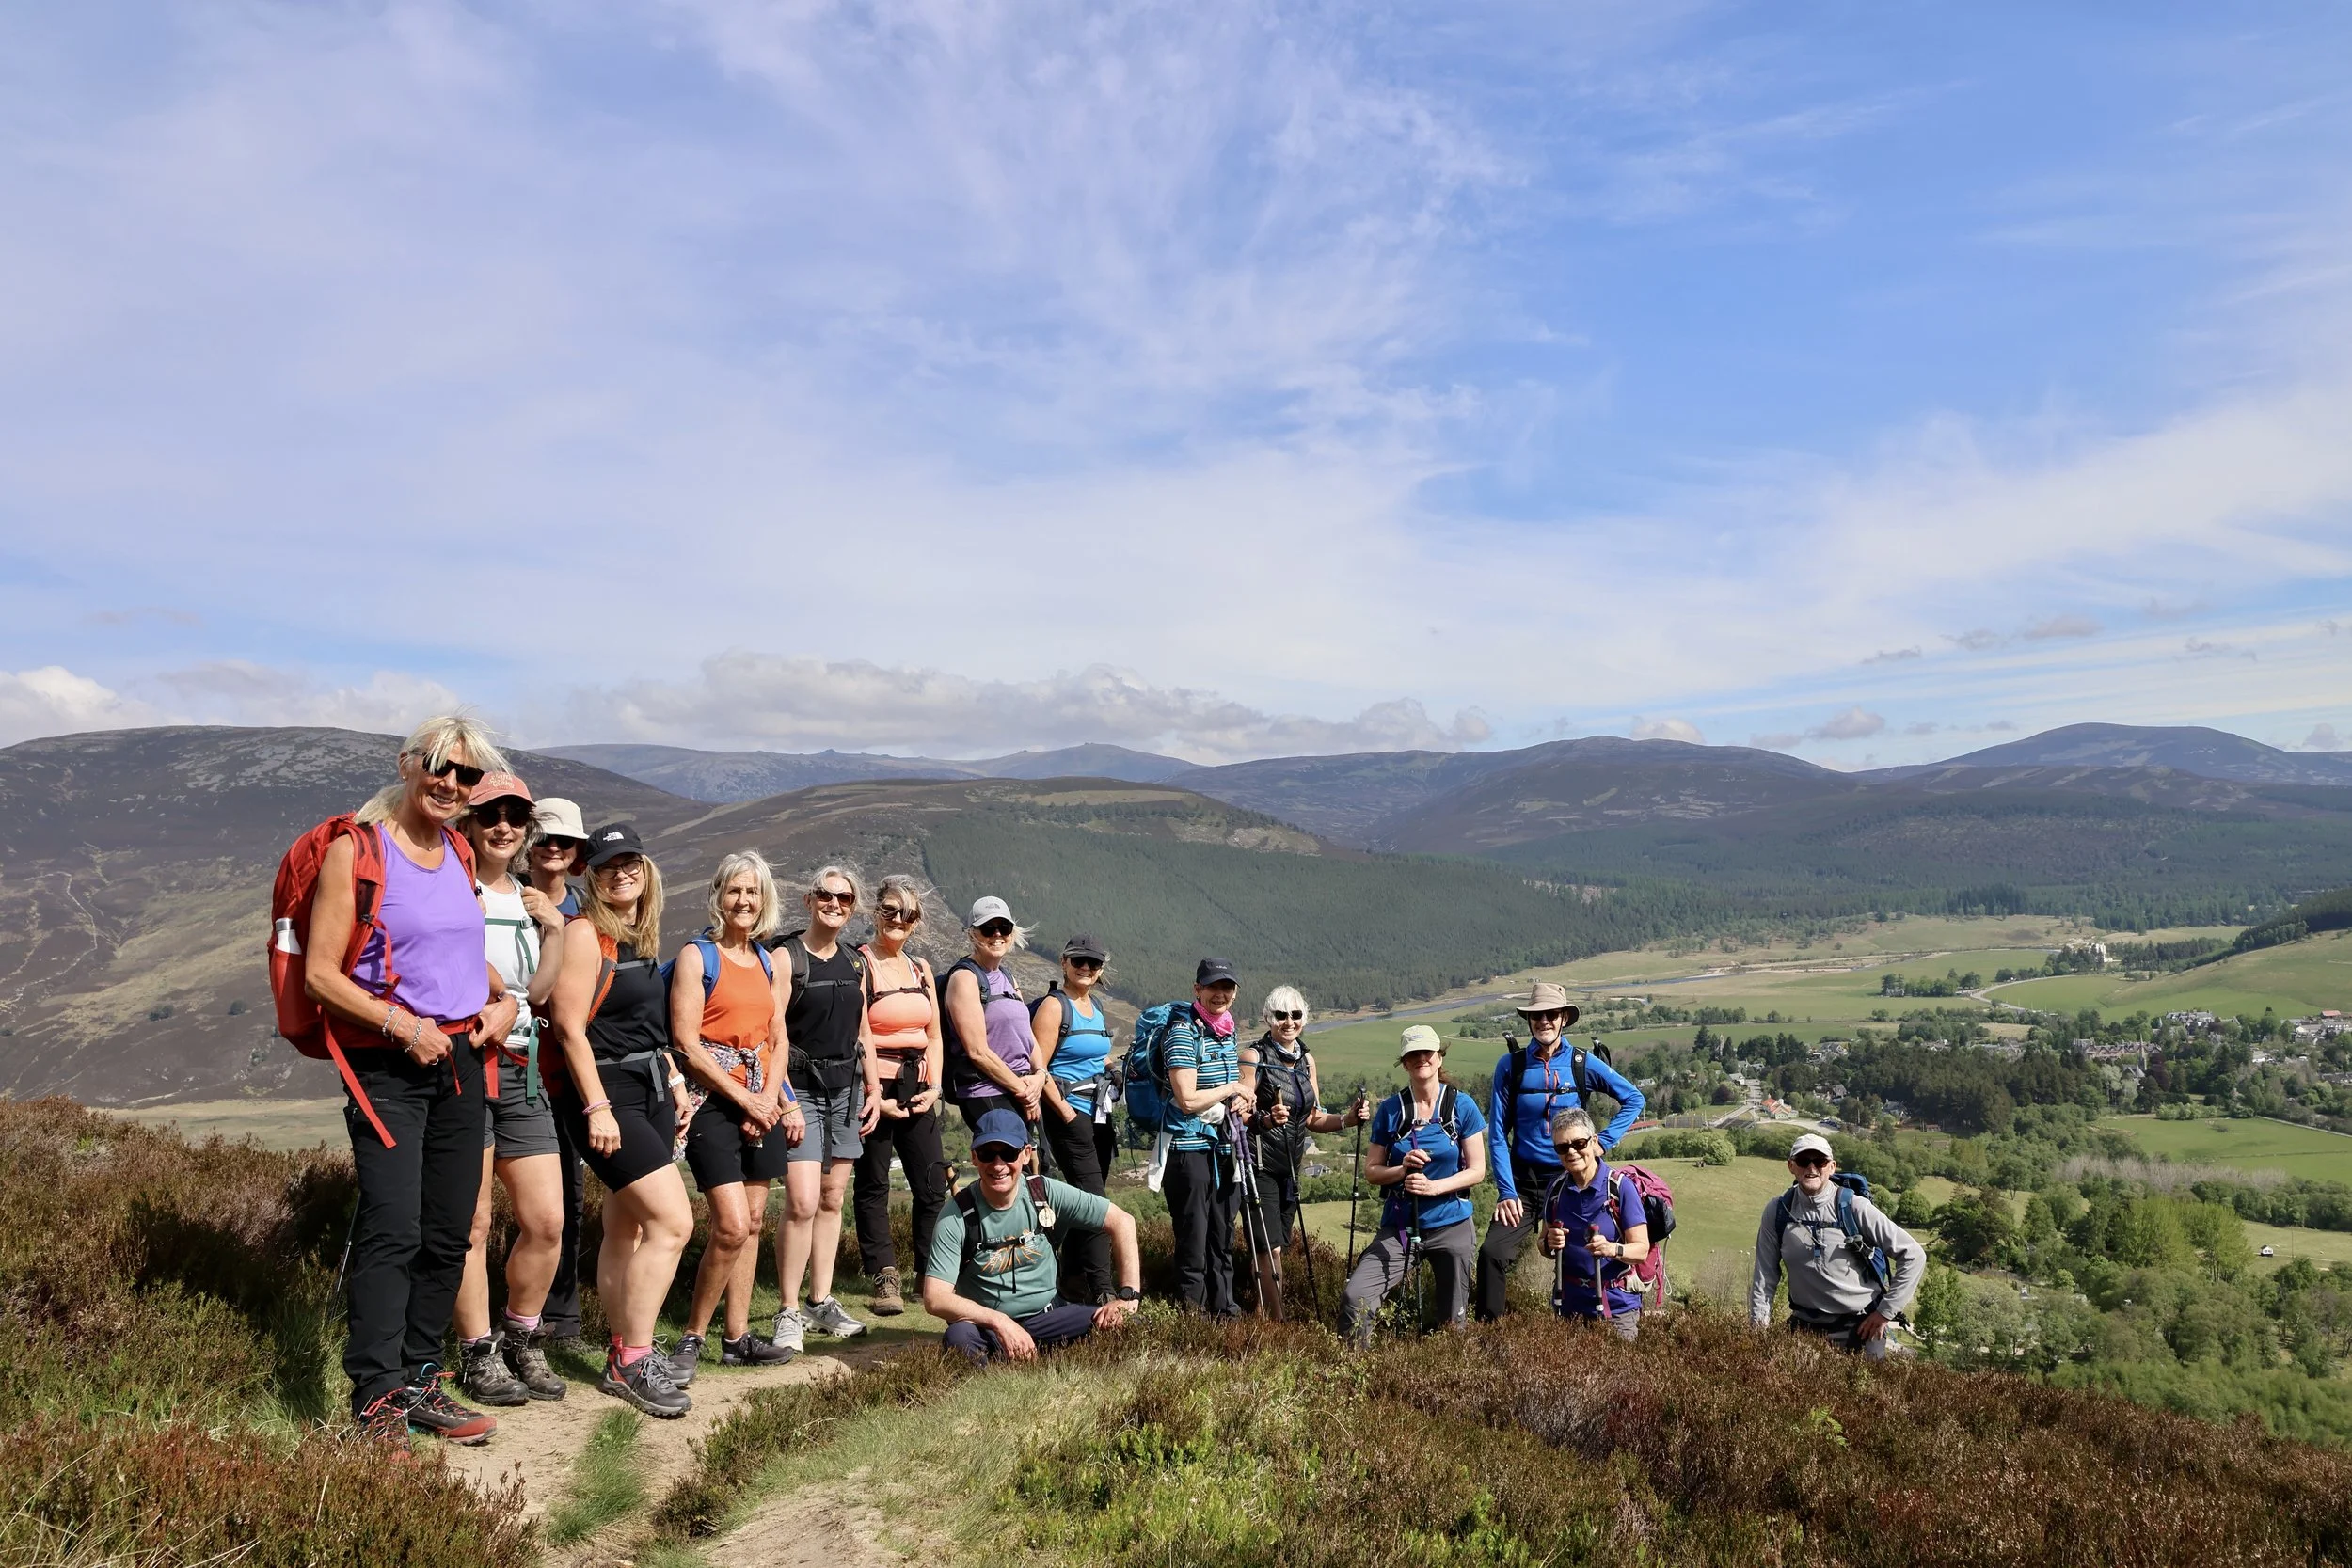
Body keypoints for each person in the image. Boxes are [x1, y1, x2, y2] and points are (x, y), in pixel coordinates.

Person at [303, 714, 515, 1445]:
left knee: (449, 1230)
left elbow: (461, 953)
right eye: (441, 767)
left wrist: (505, 998)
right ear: (406, 764)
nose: (452, 783)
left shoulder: (457, 850)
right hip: (387, 1061)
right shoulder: (355, 853)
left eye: (466, 774)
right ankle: (375, 1394)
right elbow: (320, 974)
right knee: (393, 1227)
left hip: (459, 1056)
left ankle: (422, 1378)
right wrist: (401, 1025)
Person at [547, 822, 696, 1418]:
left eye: (630, 862)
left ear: (646, 870)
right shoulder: (587, 935)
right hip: (608, 1093)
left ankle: (621, 1346)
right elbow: (569, 1028)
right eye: (607, 865)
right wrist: (597, 1107)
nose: (621, 873)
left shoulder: (638, 934)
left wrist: (677, 1082)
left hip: (652, 1085)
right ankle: (632, 1359)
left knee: (626, 1227)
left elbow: (645, 1027)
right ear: (591, 875)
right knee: (672, 1222)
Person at [453, 771, 570, 1405]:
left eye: (515, 816)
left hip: (523, 1070)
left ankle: (523, 1337)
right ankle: (478, 1352)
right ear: (469, 823)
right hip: (468, 1066)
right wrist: (500, 988)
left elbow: (544, 991)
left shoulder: (529, 899)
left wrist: (552, 929)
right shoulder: (454, 889)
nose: (504, 825)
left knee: (547, 1219)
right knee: (472, 1221)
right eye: (491, 814)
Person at [666, 852, 800, 1378]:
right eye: (734, 891)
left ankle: (737, 1337)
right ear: (718, 897)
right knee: (729, 1225)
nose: (744, 901)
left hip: (759, 1097)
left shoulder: (768, 961)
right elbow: (686, 1044)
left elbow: (778, 1036)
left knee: (752, 1226)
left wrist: (769, 1098)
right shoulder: (697, 958)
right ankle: (693, 1337)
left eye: (753, 893)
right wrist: (748, 1101)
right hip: (712, 1102)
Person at [1475, 982, 1645, 1322]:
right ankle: (1488, 1336)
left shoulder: (1582, 1063)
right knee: (1492, 1253)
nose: (1544, 1021)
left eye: (1551, 1014)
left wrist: (1603, 1141)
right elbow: (1496, 1136)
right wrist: (1506, 1192)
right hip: (1524, 1183)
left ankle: (1606, 1324)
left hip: (1572, 1180)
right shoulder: (1510, 1067)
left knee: (1590, 1253)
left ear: (1564, 1018)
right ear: (1529, 1020)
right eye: (1537, 1016)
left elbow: (1634, 1099)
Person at [922, 1108, 1141, 1364]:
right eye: (987, 1154)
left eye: (1008, 1153)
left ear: (1026, 1154)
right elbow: (935, 1298)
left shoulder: (1044, 1192)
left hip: (1049, 1317)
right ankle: (993, 1383)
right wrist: (999, 1321)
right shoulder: (956, 1215)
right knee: (959, 1337)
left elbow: (1122, 1221)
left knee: (1125, 1323)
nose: (998, 1164)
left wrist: (1128, 1297)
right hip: (986, 1326)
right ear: (974, 1157)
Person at [767, 865, 882, 1352]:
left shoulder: (856, 962)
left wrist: (874, 1087)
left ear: (853, 908)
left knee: (833, 1199)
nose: (835, 904)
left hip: (846, 1090)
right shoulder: (786, 957)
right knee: (801, 1202)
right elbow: (772, 1033)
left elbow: (863, 1031)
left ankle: (821, 1299)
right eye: (826, 895)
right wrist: (784, 1100)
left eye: (844, 898)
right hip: (801, 1090)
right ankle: (789, 1310)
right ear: (809, 899)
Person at [1342, 1025, 1487, 1343]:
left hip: (1452, 1223)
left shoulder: (1462, 1106)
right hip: (1400, 1225)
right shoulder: (1392, 1110)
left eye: (1427, 1053)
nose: (1421, 1059)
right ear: (1404, 1062)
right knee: (1357, 1297)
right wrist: (1401, 1170)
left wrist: (1435, 1187)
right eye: (1413, 1055)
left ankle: (1454, 1378)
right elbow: (1372, 1171)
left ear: (1438, 1058)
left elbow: (1477, 1171)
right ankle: (1351, 1371)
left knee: (1455, 1321)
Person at [1237, 985, 1367, 1320]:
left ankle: (1262, 1315)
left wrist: (1347, 1120)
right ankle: (1277, 1322)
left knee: (1277, 1244)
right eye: (1281, 1015)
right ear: (1268, 1018)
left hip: (1290, 1168)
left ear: (1305, 1019)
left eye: (1295, 1015)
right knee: (1268, 1248)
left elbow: (1312, 1117)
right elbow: (1237, 1111)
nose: (1288, 1022)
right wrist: (1265, 1119)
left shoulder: (1307, 1061)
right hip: (1258, 1163)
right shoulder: (1254, 1058)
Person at [850, 873, 947, 1318]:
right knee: (874, 1184)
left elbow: (935, 1035)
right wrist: (875, 1092)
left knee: (931, 1184)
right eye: (890, 909)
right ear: (875, 911)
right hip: (878, 1087)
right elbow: (862, 1032)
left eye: (908, 913)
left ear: (917, 922)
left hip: (920, 1089)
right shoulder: (861, 964)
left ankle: (930, 1274)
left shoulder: (922, 969)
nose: (898, 919)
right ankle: (885, 1277)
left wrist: (935, 1087)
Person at [1751, 1132, 1926, 1360]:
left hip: (1861, 1326)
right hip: (1804, 1325)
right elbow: (1764, 1276)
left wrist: (1885, 1313)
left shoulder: (1854, 1208)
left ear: (1832, 1167)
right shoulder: (1778, 1211)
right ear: (1791, 1166)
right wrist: (1757, 1331)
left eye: (1820, 1162)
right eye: (1804, 1161)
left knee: (1867, 1393)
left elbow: (1913, 1255)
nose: (1811, 1168)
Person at [526, 795, 591, 1347]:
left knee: (567, 1200)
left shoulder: (588, 918)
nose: (553, 849)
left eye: (564, 842)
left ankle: (561, 1315)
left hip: (568, 1074)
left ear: (577, 854)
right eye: (544, 838)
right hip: (510, 1069)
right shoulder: (494, 899)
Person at [1031, 934, 1121, 1306]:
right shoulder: (1055, 1007)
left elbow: (1091, 1056)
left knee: (1081, 1201)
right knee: (1096, 1204)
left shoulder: (1094, 1005)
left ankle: (1068, 1282)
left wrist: (1110, 1067)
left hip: (1099, 1115)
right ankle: (1103, 1292)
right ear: (1064, 962)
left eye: (1093, 963)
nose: (1086, 968)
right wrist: (1064, 1111)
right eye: (1079, 961)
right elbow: (1037, 1065)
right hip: (1069, 1116)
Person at [1162, 957, 1253, 1316]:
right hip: (1189, 1147)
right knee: (1194, 1237)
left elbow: (1219, 1087)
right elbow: (1186, 1099)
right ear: (1196, 989)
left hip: (1221, 1146)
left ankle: (1224, 1308)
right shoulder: (1183, 1032)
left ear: (1235, 993)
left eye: (1226, 987)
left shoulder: (1226, 1030)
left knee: (1222, 1233)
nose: (1220, 993)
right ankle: (1193, 1317)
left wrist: (1240, 1098)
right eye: (1212, 986)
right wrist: (1232, 1086)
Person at [1537, 1106, 1650, 1339]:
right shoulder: (1555, 1189)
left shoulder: (1620, 1188)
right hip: (1568, 1308)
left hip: (1616, 1309)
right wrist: (1549, 1243)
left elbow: (1641, 1250)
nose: (1572, 1152)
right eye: (1562, 1147)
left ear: (1593, 1142)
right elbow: (1542, 1244)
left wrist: (1611, 1248)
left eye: (1579, 1143)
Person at [940, 895, 1046, 1135]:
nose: (997, 934)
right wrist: (1023, 1090)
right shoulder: (965, 978)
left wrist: (1039, 1075)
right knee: (1004, 1166)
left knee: (1027, 1167)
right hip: (986, 1092)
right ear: (971, 934)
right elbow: (977, 1052)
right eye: (988, 928)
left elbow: (1026, 1035)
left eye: (1004, 927)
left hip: (1019, 1090)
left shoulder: (1007, 977)